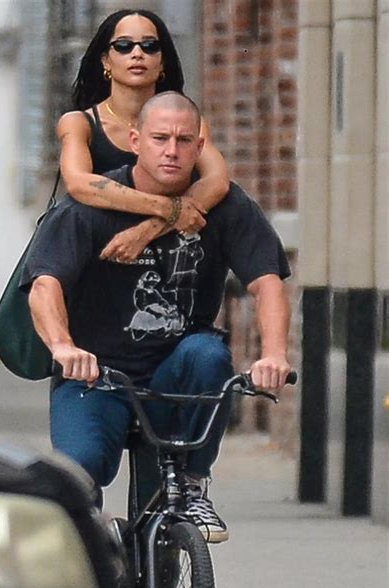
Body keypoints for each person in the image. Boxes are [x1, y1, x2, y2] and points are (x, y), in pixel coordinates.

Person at [21, 92, 292, 543]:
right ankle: (93, 564)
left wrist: (275, 355)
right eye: (160, 138)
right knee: (75, 481)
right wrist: (64, 348)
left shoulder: (227, 207)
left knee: (208, 354)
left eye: (184, 141)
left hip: (176, 376)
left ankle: (191, 486)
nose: (172, 151)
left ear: (199, 146)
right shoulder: (90, 206)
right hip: (96, 376)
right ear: (135, 141)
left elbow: (267, 283)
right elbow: (44, 286)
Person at [56, 9, 230, 262]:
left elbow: (217, 181)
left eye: (149, 46)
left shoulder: (191, 125)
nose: (137, 53)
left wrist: (148, 230)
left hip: (169, 257)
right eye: (123, 46)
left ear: (162, 62)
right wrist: (167, 208)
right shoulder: (79, 123)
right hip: (93, 256)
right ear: (105, 61)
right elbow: (78, 183)